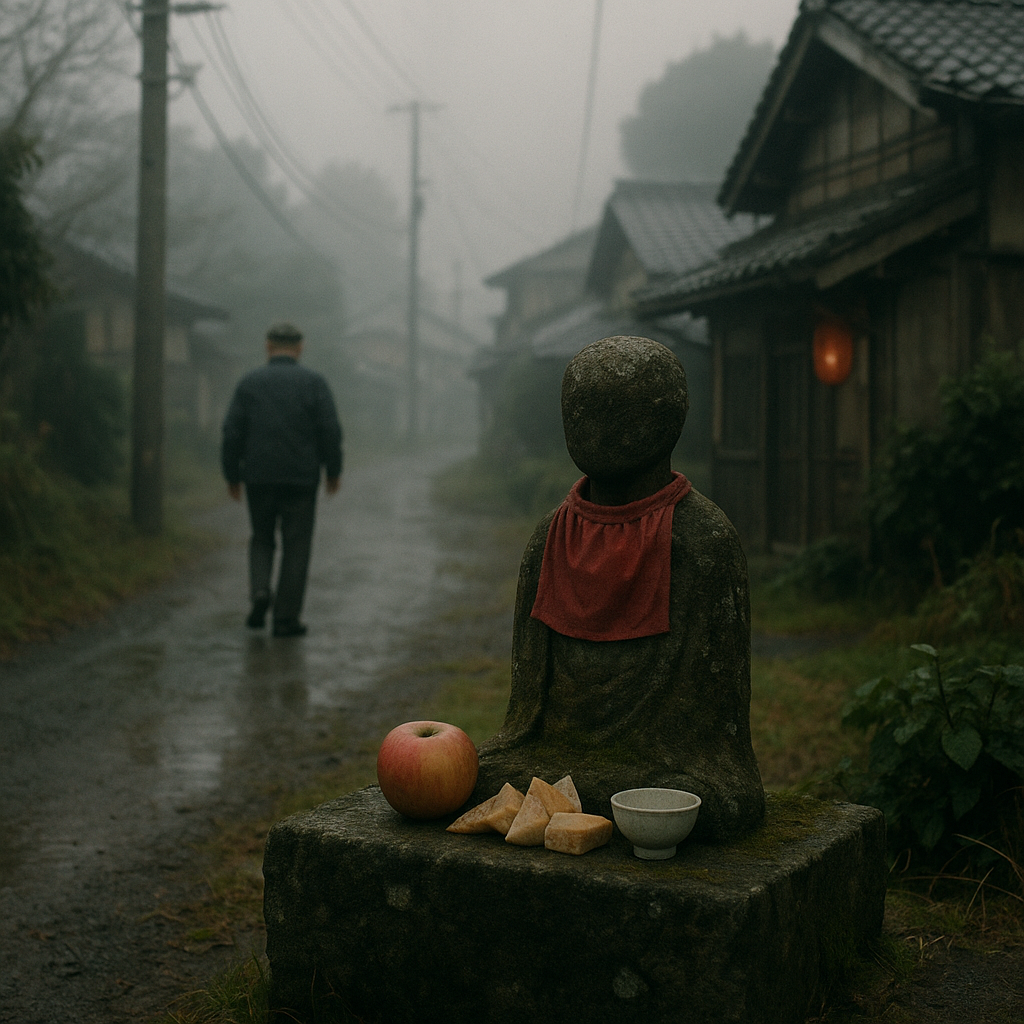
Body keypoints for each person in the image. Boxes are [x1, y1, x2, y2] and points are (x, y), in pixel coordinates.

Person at [474, 336, 765, 841]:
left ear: (666, 418)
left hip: (667, 765)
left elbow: (713, 739)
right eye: (580, 409)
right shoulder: (549, 538)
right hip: (550, 759)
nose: (592, 427)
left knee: (704, 803)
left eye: (613, 410)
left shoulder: (703, 540)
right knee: (479, 775)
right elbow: (526, 716)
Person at [221, 321, 343, 637]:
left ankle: (261, 591)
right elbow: (329, 429)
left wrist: (232, 474)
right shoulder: (314, 382)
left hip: (259, 477)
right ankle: (286, 619)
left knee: (261, 538)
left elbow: (232, 431)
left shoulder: (249, 382)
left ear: (267, 346)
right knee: (296, 546)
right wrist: (333, 470)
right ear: (300, 348)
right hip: (301, 480)